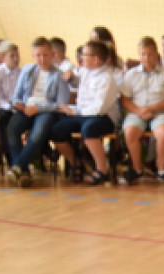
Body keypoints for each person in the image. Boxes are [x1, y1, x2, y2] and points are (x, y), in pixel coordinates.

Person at [50, 39, 119, 185]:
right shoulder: (84, 71)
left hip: (103, 117)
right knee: (57, 130)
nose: (81, 58)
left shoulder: (107, 79)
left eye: (85, 55)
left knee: (89, 128)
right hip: (82, 114)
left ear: (96, 59)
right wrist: (71, 76)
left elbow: (98, 109)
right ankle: (76, 162)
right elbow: (74, 80)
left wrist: (74, 110)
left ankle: (102, 170)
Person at [6, 36, 71, 187]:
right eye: (38, 55)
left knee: (38, 132)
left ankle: (17, 167)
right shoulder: (27, 70)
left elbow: (61, 104)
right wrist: (20, 105)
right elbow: (16, 95)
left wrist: (39, 109)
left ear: (53, 54)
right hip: (27, 108)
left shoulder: (59, 74)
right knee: (12, 128)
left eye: (45, 55)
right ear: (33, 56)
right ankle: (23, 172)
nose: (42, 59)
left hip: (47, 111)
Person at [120, 36, 164, 185]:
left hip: (160, 111)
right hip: (137, 111)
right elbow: (125, 99)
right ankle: (137, 169)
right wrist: (140, 111)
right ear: (139, 55)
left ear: (156, 54)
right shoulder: (131, 74)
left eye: (150, 54)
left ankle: (162, 170)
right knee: (130, 131)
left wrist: (151, 108)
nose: (146, 58)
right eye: (143, 54)